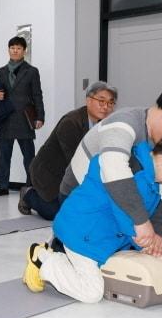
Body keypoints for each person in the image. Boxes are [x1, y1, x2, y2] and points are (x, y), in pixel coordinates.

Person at [23, 134, 162, 303]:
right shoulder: (130, 171)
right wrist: (145, 241)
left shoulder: (148, 179)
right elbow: (125, 213)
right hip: (81, 233)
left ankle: (56, 251)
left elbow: (138, 219)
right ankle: (43, 260)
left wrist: (147, 242)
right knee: (92, 293)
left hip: (98, 238)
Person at [60, 84, 162, 255]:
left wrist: (155, 237)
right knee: (88, 257)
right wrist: (141, 222)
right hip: (80, 200)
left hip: (114, 201)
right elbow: (114, 172)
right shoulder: (124, 123)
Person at [18, 82, 117, 220]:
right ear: (88, 100)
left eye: (111, 103)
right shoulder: (71, 122)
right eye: (101, 101)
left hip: (71, 174)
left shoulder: (106, 124)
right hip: (49, 174)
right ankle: (28, 194)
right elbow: (76, 162)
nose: (106, 107)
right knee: (55, 213)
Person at [0, 36, 44, 196]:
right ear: (8, 50)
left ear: (24, 51)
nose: (15, 50)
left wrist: (40, 117)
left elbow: (37, 95)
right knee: (4, 155)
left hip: (24, 118)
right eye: (12, 47)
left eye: (18, 48)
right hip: (5, 118)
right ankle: (2, 186)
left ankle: (32, 185)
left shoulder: (32, 71)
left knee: (29, 156)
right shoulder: (1, 72)